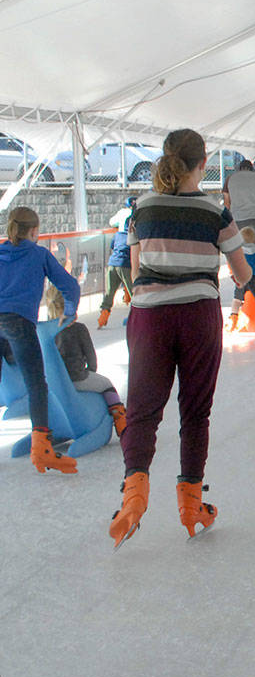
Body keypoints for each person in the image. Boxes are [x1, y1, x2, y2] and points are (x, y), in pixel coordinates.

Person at [109, 128, 253, 547]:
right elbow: (242, 273)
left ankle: (134, 496)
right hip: (198, 316)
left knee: (142, 411)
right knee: (194, 412)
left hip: (150, 317)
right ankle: (191, 506)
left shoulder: (142, 208)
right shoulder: (215, 210)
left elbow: (137, 273)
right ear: (203, 163)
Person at [0, 207, 81, 474]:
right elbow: (70, 286)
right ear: (34, 231)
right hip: (19, 322)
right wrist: (69, 313)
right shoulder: (39, 254)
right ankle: (42, 448)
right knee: (36, 384)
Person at [46, 285, 126, 437]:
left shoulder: (46, 332)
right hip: (78, 378)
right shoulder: (79, 329)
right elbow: (91, 358)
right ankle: (120, 419)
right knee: (107, 384)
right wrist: (91, 371)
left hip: (55, 383)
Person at [99, 196, 136, 328]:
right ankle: (134, 316)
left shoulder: (117, 234)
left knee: (110, 292)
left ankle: (103, 316)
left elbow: (112, 245)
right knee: (134, 292)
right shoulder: (134, 234)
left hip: (112, 263)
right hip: (126, 265)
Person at [222, 159, 255, 251]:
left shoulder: (230, 179)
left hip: (237, 221)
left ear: (239, 169)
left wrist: (226, 224)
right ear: (252, 169)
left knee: (238, 254)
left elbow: (227, 205)